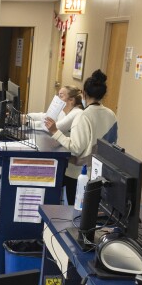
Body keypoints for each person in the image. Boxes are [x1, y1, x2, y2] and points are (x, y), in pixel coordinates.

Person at [45, 70, 117, 206]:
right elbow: (113, 143)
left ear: (84, 93)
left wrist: (55, 131)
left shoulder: (83, 116)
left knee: (76, 209)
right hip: (102, 173)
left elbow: (75, 148)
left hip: (80, 174)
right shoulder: (111, 115)